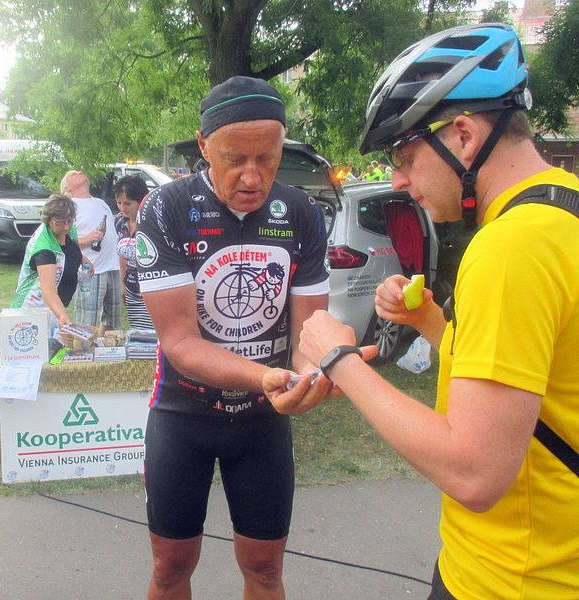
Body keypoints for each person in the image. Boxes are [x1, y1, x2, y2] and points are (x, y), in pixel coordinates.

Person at [299, 23, 579, 598]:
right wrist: (430, 321)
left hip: (508, 579)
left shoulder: (510, 248)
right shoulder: (563, 213)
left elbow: (474, 471)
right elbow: (544, 380)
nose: (399, 182)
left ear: (464, 136)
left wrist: (338, 359)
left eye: (404, 156)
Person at [136, 76, 375, 599]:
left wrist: (323, 370)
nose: (252, 176)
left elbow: (308, 332)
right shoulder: (165, 209)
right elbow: (180, 343)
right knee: (171, 567)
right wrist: (265, 376)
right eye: (234, 159)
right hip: (183, 413)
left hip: (263, 422)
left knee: (265, 570)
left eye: (267, 158)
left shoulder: (302, 214)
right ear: (203, 147)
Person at [11, 194, 93, 325]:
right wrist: (62, 315)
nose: (66, 227)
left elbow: (69, 249)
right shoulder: (44, 249)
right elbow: (48, 290)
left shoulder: (67, 230)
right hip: (34, 309)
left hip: (54, 307)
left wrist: (82, 258)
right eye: (60, 223)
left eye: (70, 221)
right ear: (48, 220)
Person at [60, 170, 121, 330]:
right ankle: (83, 352)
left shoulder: (100, 202)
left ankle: (109, 352)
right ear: (68, 188)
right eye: (73, 173)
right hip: (89, 270)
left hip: (112, 268)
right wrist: (88, 239)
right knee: (86, 323)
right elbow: (61, 242)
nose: (79, 171)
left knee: (112, 324)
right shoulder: (69, 207)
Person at [112, 174, 154, 330]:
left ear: (141, 200)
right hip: (131, 286)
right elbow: (122, 254)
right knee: (138, 333)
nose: (123, 208)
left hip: (151, 287)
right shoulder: (119, 222)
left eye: (128, 203)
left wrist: (150, 285)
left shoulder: (152, 222)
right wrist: (123, 283)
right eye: (119, 203)